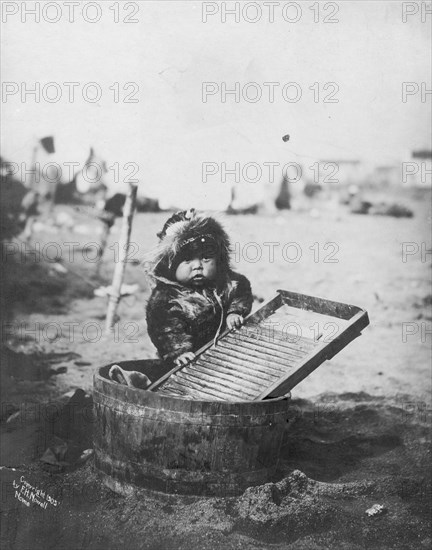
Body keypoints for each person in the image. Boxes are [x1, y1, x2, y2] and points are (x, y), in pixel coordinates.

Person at [146, 209, 253, 367]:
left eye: (205, 258)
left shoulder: (228, 283)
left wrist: (235, 312)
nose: (197, 266)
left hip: (225, 353)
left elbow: (241, 291)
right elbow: (163, 328)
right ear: (171, 265)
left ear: (218, 259)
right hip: (187, 362)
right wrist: (179, 351)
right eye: (187, 260)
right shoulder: (166, 297)